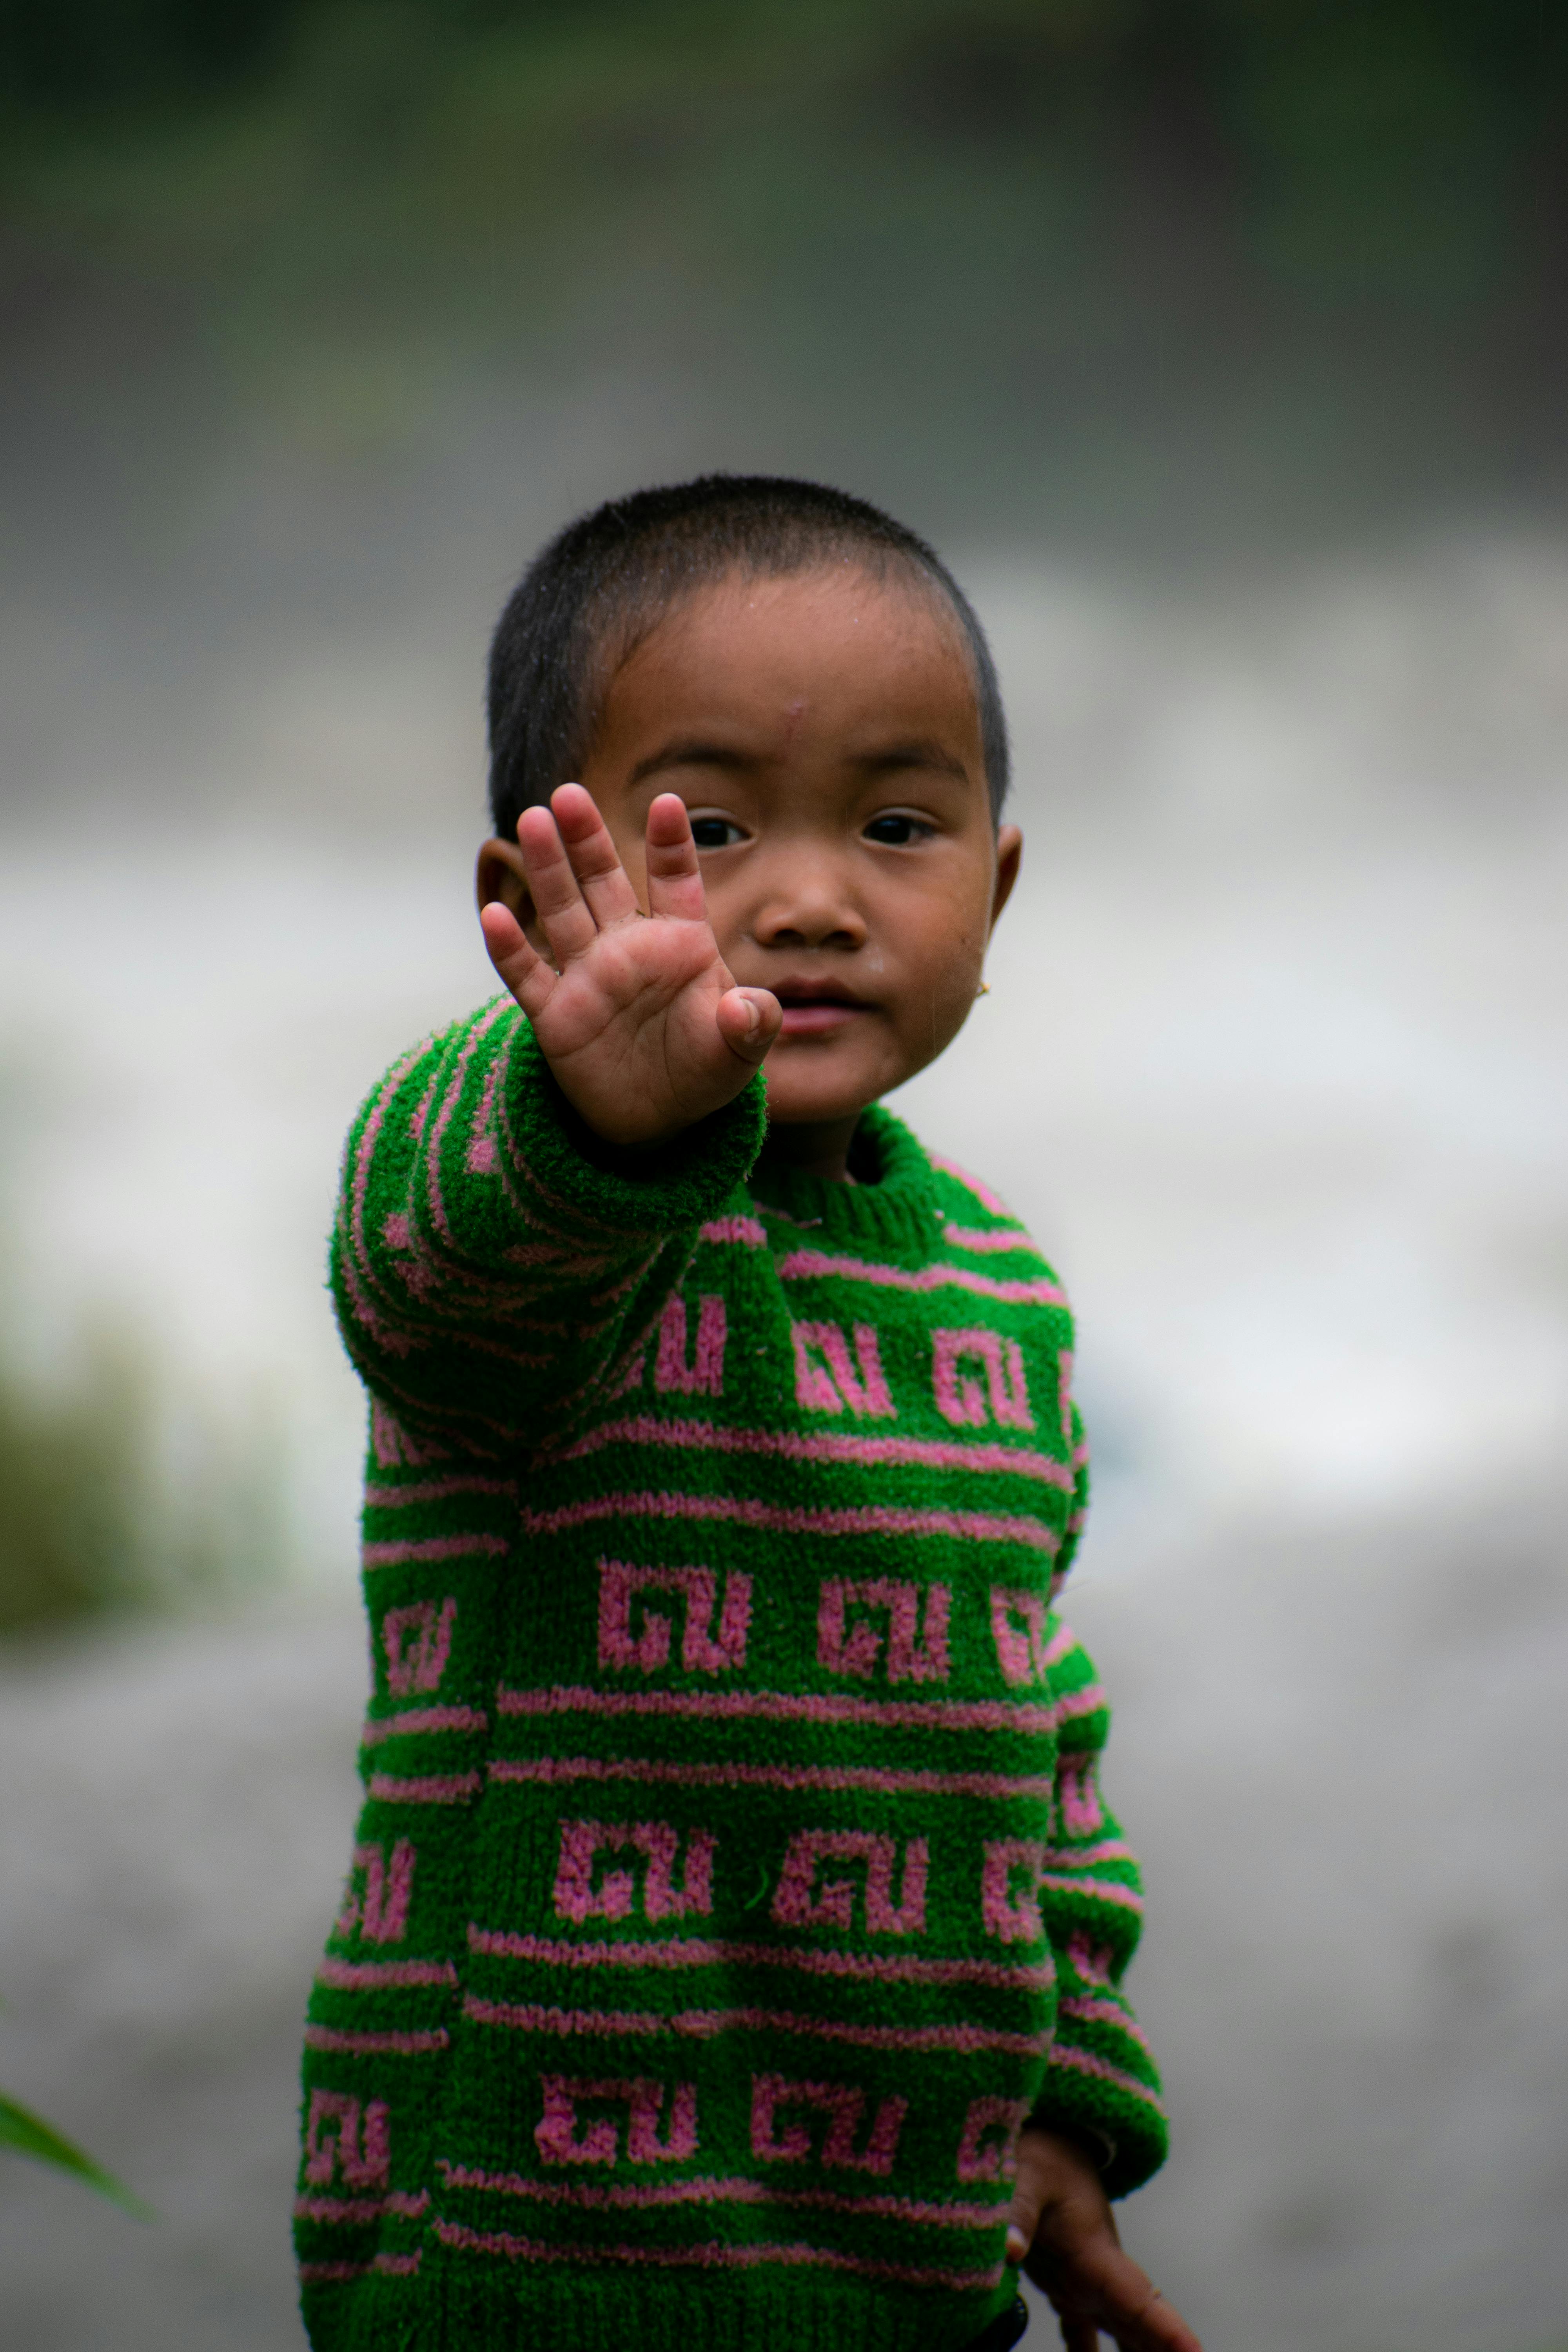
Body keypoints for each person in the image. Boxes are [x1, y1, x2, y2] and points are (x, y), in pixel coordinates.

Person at [294, 475, 1202, 2352]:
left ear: (995, 884)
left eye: (895, 825)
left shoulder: (1000, 1289)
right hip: (527, 2248)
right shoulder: (543, 1209)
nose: (805, 900)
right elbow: (416, 1276)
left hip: (903, 2249)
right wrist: (583, 1110)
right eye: (703, 831)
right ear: (530, 903)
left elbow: (1038, 1729)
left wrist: (1059, 2103)